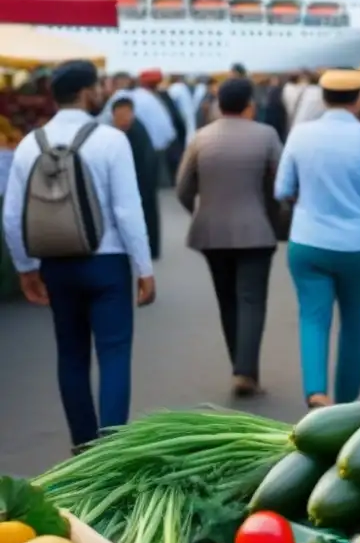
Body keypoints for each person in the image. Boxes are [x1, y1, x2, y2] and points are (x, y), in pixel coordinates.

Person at [1, 60, 154, 450]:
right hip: (107, 263)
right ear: (88, 92)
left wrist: (26, 269)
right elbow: (126, 210)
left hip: (56, 264)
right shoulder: (110, 140)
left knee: (70, 354)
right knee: (114, 352)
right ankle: (111, 451)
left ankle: (82, 446)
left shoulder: (29, 144)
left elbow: (13, 215)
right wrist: (144, 267)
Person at [275, 69, 360, 408]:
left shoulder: (300, 135)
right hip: (358, 243)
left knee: (312, 317)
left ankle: (316, 391)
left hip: (307, 240)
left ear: (323, 96)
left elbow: (282, 189)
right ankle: (346, 403)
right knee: (354, 320)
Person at [175, 78, 282, 397]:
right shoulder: (266, 135)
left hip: (211, 232)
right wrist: (273, 216)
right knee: (251, 299)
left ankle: (239, 364)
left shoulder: (200, 138)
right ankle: (245, 371)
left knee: (227, 300)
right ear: (250, 104)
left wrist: (202, 211)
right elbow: (280, 184)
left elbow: (183, 188)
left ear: (218, 105)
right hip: (257, 231)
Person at [110, 97, 161, 263]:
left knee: (146, 213)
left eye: (126, 114)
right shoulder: (126, 130)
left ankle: (149, 249)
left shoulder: (136, 131)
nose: (123, 119)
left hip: (143, 178)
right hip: (140, 178)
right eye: (119, 115)